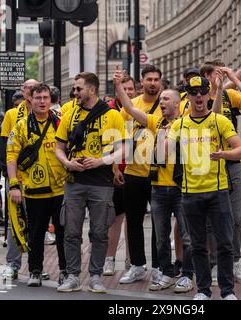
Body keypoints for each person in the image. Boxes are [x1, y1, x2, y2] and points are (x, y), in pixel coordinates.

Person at [114, 67, 195, 293]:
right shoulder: (154, 121)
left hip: (179, 186)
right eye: (161, 99)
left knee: (185, 235)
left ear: (178, 104)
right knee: (159, 234)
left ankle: (184, 273)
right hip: (154, 183)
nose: (162, 101)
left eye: (166, 98)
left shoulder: (187, 123)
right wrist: (119, 85)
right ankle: (162, 271)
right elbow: (128, 108)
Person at [168, 76, 241, 300]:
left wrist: (224, 154)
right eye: (194, 93)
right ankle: (203, 290)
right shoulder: (180, 124)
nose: (199, 96)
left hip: (218, 191)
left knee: (224, 243)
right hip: (191, 193)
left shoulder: (219, 121)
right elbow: (163, 151)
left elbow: (240, 150)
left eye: (203, 91)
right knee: (197, 245)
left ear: (208, 94)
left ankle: (227, 291)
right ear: (188, 96)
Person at [55, 72, 125, 293]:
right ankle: (73, 275)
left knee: (99, 231)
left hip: (101, 181)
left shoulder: (112, 115)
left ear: (92, 90)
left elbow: (124, 148)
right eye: (74, 89)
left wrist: (102, 161)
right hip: (74, 181)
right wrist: (68, 163)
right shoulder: (69, 114)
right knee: (71, 231)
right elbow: (59, 147)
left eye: (78, 88)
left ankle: (96, 276)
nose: (74, 92)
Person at [200, 58, 241, 284]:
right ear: (205, 77)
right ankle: (214, 263)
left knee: (235, 217)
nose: (217, 77)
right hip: (209, 163)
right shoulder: (198, 98)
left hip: (234, 162)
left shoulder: (229, 95)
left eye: (219, 73)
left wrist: (235, 78)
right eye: (212, 74)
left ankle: (233, 262)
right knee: (211, 218)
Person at [7, 83, 67, 287]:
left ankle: (65, 272)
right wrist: (14, 185)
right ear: (30, 100)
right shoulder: (21, 126)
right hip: (34, 191)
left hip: (60, 190)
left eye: (45, 98)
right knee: (36, 234)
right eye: (38, 97)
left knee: (63, 234)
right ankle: (35, 271)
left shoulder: (60, 123)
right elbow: (11, 156)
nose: (42, 101)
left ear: (51, 100)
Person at [119, 65, 162, 285]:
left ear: (160, 82)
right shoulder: (130, 106)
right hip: (133, 172)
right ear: (141, 82)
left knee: (158, 223)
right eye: (149, 79)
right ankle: (137, 265)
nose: (152, 83)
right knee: (133, 220)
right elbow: (119, 137)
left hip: (159, 175)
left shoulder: (165, 104)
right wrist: (116, 167)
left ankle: (157, 267)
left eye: (156, 79)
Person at [0, 79, 40, 280]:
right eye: (28, 89)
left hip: (41, 179)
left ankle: (36, 266)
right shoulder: (12, 114)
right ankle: (13, 265)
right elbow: (4, 146)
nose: (32, 92)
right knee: (14, 222)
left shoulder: (52, 116)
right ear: (24, 92)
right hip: (17, 178)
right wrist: (9, 177)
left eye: (36, 88)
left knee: (37, 223)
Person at [103, 75, 136, 276]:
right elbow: (108, 143)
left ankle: (132, 261)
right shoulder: (110, 111)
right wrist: (115, 168)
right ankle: (109, 259)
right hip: (117, 171)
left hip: (138, 171)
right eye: (125, 88)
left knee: (133, 220)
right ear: (118, 90)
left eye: (132, 88)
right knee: (116, 218)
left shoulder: (139, 107)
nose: (129, 92)